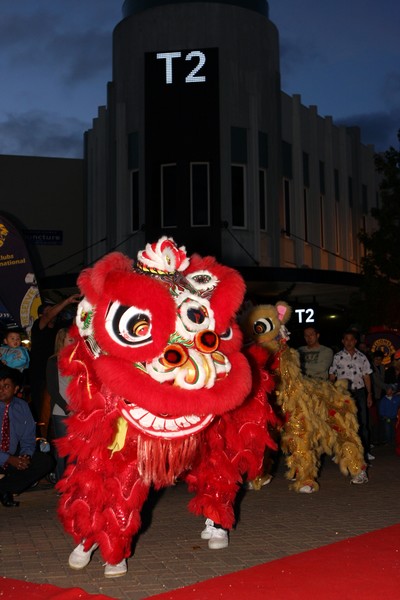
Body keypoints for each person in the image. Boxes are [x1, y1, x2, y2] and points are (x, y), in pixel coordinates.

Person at [0, 367, 55, 507]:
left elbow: (28, 438)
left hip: (11, 455)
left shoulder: (22, 407)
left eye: (6, 386)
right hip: (4, 457)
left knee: (44, 462)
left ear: (16, 388)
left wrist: (25, 456)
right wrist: (8, 459)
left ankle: (4, 488)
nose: (1, 390)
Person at [29, 294, 80, 430]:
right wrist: (67, 301)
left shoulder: (60, 328)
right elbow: (47, 317)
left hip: (59, 373)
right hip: (40, 376)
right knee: (43, 413)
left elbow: (75, 325)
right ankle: (42, 442)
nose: (53, 312)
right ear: (41, 315)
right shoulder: (38, 327)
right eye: (48, 310)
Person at [329, 330, 374, 462]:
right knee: (343, 424)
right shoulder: (337, 357)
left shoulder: (362, 357)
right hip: (343, 394)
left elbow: (367, 376)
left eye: (351, 339)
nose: (349, 342)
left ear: (355, 341)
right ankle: (341, 452)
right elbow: (332, 376)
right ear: (343, 341)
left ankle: (365, 451)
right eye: (346, 339)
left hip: (359, 392)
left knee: (362, 423)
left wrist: (369, 394)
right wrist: (331, 392)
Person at [46, 328, 75, 482]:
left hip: (78, 410)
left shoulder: (78, 360)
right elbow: (52, 389)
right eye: (70, 340)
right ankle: (60, 480)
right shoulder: (53, 361)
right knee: (63, 448)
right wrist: (67, 408)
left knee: (76, 448)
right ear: (61, 341)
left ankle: (73, 480)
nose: (74, 343)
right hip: (61, 410)